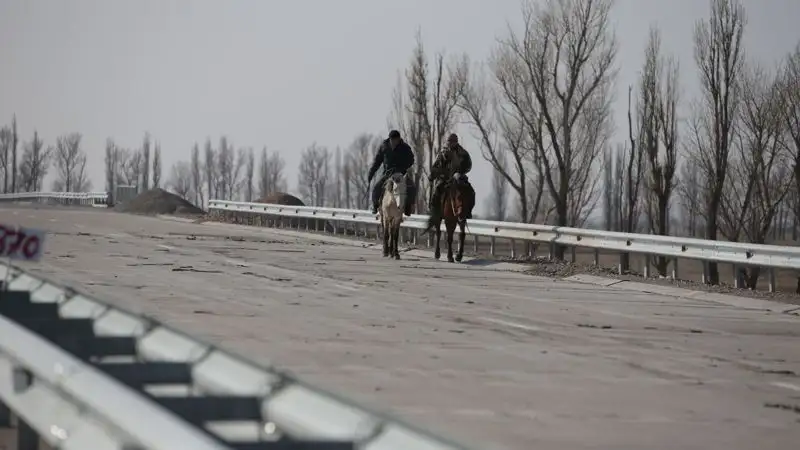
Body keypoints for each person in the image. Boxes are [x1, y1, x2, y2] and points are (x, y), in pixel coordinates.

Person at [367, 130, 417, 216]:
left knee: (412, 187)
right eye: (392, 140)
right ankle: (375, 206)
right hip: (387, 174)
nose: (394, 142)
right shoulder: (384, 147)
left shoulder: (405, 147)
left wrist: (402, 167)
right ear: (389, 139)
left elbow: (411, 160)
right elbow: (377, 161)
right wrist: (370, 174)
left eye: (396, 140)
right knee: (376, 188)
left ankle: (408, 207)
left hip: (401, 174)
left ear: (399, 139)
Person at [429, 133, 475, 219]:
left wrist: (461, 171)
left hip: (458, 177)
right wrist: (433, 175)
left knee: (471, 192)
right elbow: (435, 166)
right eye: (450, 142)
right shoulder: (442, 153)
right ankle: (434, 213)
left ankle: (468, 211)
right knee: (436, 192)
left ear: (456, 142)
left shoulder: (463, 153)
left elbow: (469, 165)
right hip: (445, 178)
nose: (451, 144)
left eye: (453, 142)